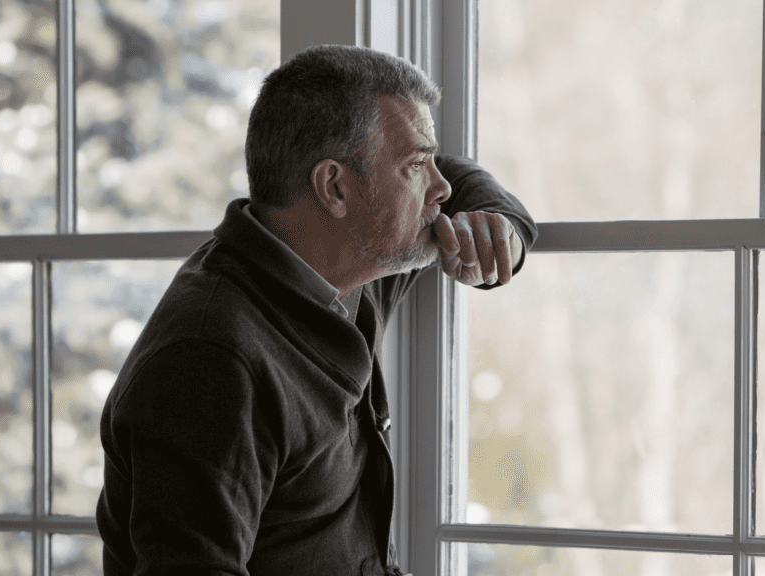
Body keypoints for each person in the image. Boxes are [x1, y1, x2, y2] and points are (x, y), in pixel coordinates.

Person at [95, 45, 537, 576]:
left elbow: (458, 177)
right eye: (416, 166)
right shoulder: (210, 361)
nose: (440, 189)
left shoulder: (344, 260)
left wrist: (497, 227)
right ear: (335, 187)